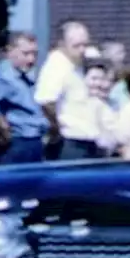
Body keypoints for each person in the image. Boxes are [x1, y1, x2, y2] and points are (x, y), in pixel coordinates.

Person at [0, 32, 48, 165]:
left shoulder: (25, 75)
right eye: (25, 54)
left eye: (34, 54)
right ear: (10, 51)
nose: (31, 60)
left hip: (34, 141)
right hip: (16, 143)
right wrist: (4, 131)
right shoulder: (1, 76)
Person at [34, 19, 91, 159]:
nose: (82, 50)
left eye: (85, 44)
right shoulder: (56, 66)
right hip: (68, 140)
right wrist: (56, 128)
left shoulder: (77, 63)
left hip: (85, 137)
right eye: (76, 46)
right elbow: (46, 101)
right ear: (61, 45)